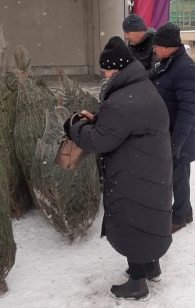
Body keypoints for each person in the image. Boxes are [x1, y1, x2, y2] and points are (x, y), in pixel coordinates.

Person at [68, 36, 172, 301]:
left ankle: (137, 285)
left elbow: (99, 140)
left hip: (133, 174)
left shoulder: (123, 99)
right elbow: (126, 124)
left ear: (116, 68)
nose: (104, 73)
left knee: (134, 221)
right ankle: (151, 266)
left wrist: (74, 126)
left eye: (106, 68)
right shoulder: (143, 87)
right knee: (150, 216)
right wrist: (101, 119)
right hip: (152, 168)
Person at [152, 22, 195, 233]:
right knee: (179, 176)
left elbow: (188, 112)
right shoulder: (168, 63)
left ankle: (179, 218)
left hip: (179, 135)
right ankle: (186, 211)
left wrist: (176, 143)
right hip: (171, 132)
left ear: (167, 45)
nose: (153, 49)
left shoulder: (186, 70)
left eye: (156, 46)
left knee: (179, 178)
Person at [122, 13, 158, 80]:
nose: (126, 37)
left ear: (138, 30)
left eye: (128, 33)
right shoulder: (131, 45)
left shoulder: (155, 43)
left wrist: (133, 78)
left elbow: (155, 71)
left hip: (151, 88)